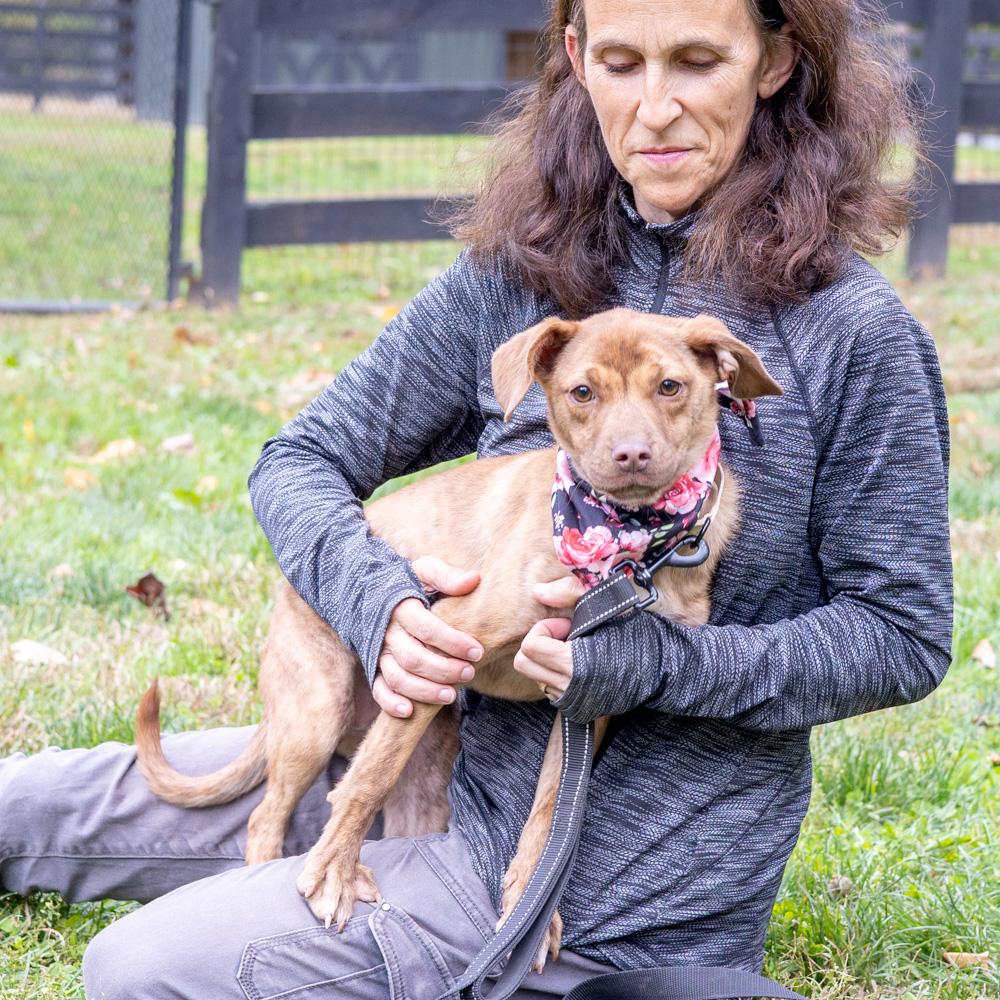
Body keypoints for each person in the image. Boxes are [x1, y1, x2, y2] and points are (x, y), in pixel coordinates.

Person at [0, 0, 952, 997]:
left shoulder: (851, 336)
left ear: (772, 62)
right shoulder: (524, 275)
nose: (655, 106)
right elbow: (298, 461)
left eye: (697, 60)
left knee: (141, 969)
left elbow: (901, 635)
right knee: (23, 802)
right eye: (622, 62)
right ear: (578, 60)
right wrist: (386, 609)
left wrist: (660, 663)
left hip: (602, 881)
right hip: (426, 749)